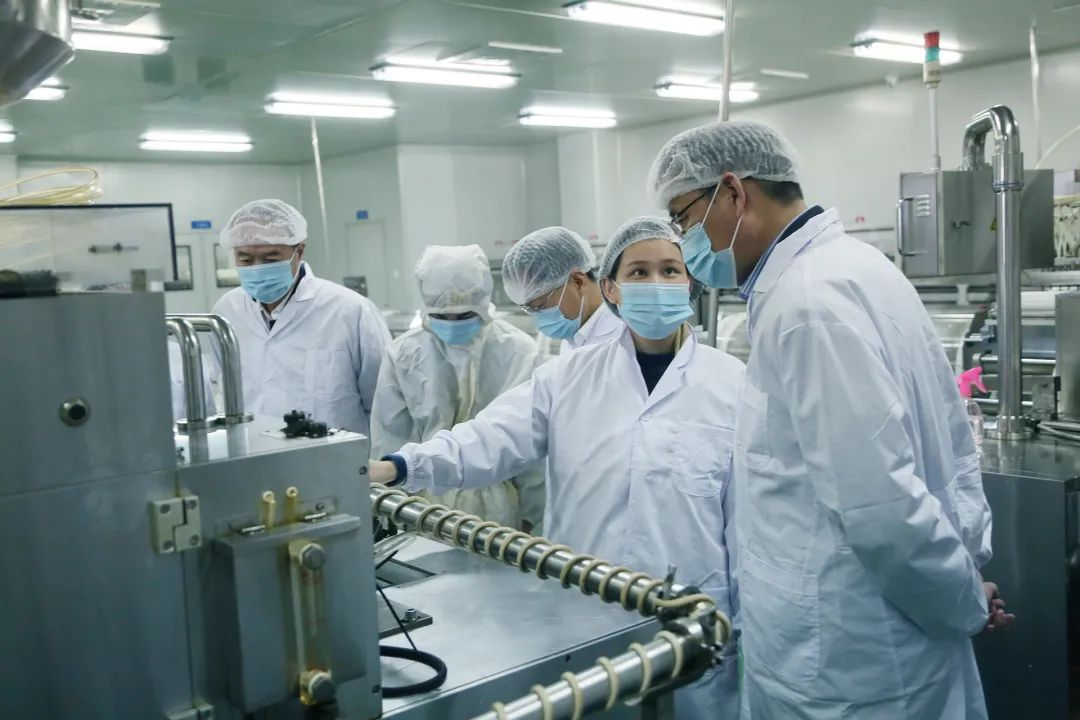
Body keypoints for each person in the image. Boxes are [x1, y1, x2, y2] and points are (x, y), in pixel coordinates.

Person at [648, 119, 1014, 719]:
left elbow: (881, 507)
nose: (683, 240)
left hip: (850, 662)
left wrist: (963, 600)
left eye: (683, 218)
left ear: (733, 192)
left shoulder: (808, 306)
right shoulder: (850, 268)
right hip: (866, 641)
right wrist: (961, 582)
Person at [370, 217, 745, 718]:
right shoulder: (567, 375)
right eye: (638, 272)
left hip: (692, 613)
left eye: (670, 270)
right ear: (610, 288)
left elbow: (748, 525)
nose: (656, 283)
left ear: (689, 283)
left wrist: (745, 624)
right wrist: (398, 466)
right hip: (589, 606)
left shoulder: (733, 383)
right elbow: (487, 438)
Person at [370, 244, 543, 530]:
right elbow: (389, 436)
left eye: (463, 315)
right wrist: (393, 510)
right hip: (421, 502)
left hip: (499, 506)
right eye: (441, 316)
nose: (452, 324)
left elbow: (530, 447)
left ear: (483, 304)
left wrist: (532, 516)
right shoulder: (404, 354)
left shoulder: (518, 352)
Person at [212, 199, 391, 434]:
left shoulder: (351, 311)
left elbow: (384, 403)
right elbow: (222, 388)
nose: (257, 268)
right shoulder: (226, 311)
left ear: (299, 251)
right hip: (251, 450)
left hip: (332, 453)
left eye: (270, 259)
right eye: (245, 259)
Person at [502, 226, 622, 351]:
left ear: (578, 281)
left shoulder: (622, 337)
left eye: (541, 306)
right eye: (530, 309)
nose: (539, 318)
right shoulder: (574, 338)